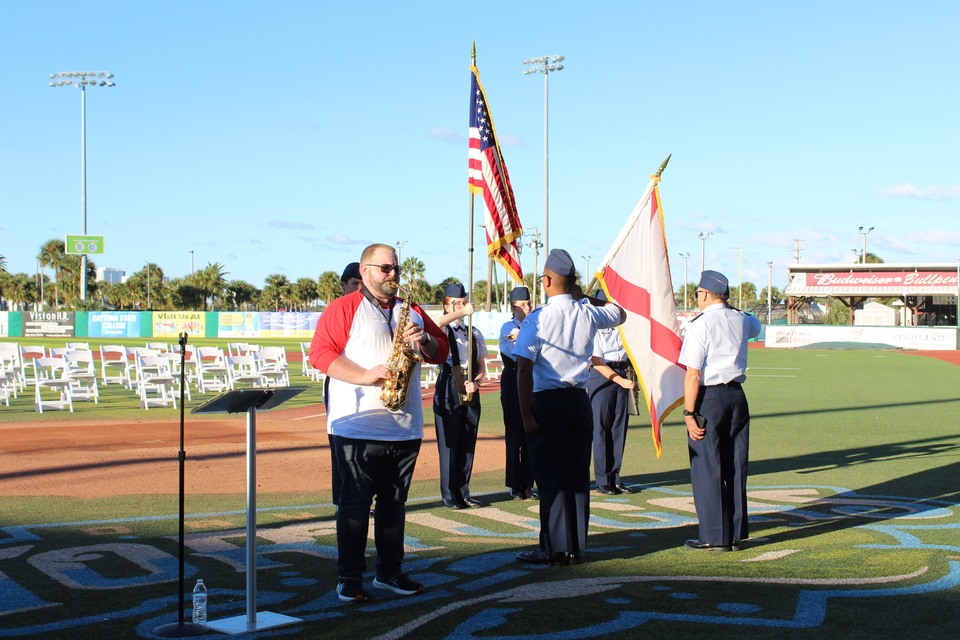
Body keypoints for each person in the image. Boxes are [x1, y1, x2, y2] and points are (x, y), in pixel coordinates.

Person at [309, 243, 449, 602]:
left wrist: (425, 341)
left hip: (405, 425)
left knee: (394, 504)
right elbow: (320, 354)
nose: (393, 275)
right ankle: (349, 578)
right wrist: (364, 375)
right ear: (365, 269)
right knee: (354, 505)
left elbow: (442, 351)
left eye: (396, 269)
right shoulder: (344, 307)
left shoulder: (411, 309)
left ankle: (390, 572)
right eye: (385, 268)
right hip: (356, 427)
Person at [514, 249, 625, 565]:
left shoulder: (538, 318)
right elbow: (620, 314)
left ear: (547, 280)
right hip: (579, 400)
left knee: (551, 478)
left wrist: (525, 416)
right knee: (576, 475)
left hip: (548, 402)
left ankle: (553, 547)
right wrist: (587, 296)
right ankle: (576, 546)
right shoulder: (587, 312)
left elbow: (523, 369)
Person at [677, 270, 761, 552]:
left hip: (709, 398)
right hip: (737, 396)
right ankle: (736, 534)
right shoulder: (740, 319)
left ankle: (714, 535)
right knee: (736, 467)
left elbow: (692, 374)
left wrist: (689, 414)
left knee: (707, 467)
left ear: (703, 294)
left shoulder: (700, 324)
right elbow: (756, 325)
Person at [432, 282, 488, 509]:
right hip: (449, 382)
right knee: (449, 442)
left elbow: (481, 364)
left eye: (463, 303)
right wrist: (459, 313)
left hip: (470, 383)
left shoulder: (474, 332)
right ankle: (449, 494)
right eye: (455, 303)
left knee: (467, 440)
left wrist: (477, 381)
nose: (461, 307)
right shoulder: (443, 328)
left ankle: (463, 491)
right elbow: (434, 324)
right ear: (446, 306)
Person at [587, 289, 637, 495]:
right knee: (601, 429)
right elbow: (596, 361)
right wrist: (620, 381)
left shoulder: (624, 324)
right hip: (603, 376)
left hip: (622, 371)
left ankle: (616, 477)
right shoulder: (595, 326)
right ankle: (602, 479)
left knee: (619, 428)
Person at [326, 261, 364, 508]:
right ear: (343, 285)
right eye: (355, 284)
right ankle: (343, 500)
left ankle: (362, 500)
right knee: (341, 443)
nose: (360, 288)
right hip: (341, 383)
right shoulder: (338, 309)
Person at [499, 286, 537, 500]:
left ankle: (528, 484)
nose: (528, 307)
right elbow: (511, 352)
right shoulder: (508, 327)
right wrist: (524, 336)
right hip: (513, 378)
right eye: (523, 305)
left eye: (529, 303)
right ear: (514, 308)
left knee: (531, 432)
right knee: (515, 434)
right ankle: (515, 484)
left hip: (533, 379)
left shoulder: (536, 325)